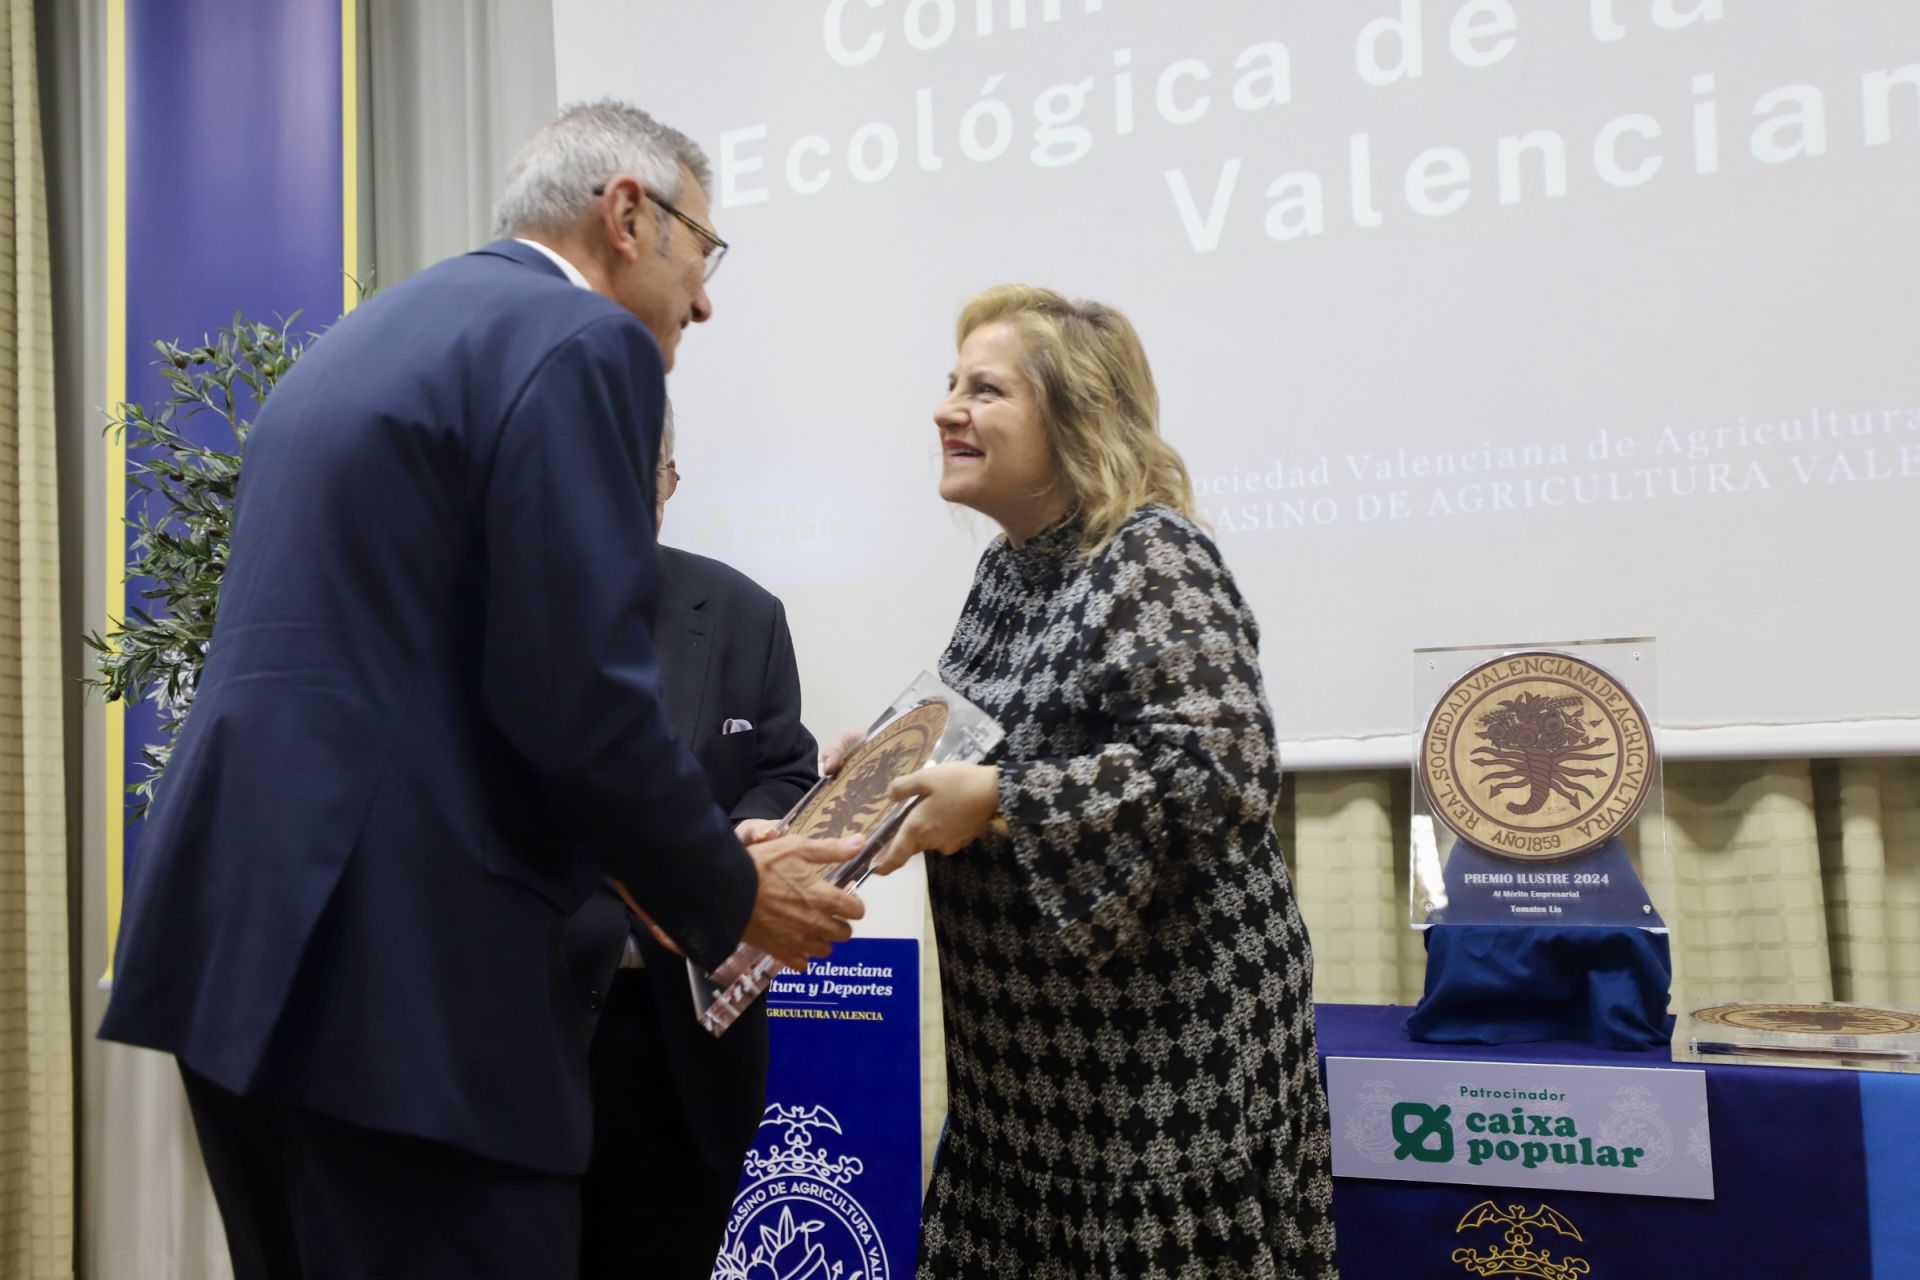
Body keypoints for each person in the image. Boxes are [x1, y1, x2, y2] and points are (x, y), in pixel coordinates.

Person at [98, 102, 865, 1279]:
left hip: (249, 955)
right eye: (702, 253)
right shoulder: (576, 341)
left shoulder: (362, 344)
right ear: (626, 215)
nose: (703, 300)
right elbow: (576, 701)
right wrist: (727, 893)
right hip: (409, 991)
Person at [871, 285, 1339, 1278]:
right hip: (1028, 1095)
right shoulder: (1010, 567)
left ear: (1075, 416)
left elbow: (1222, 770)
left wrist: (998, 803)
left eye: (984, 388)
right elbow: (996, 733)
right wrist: (881, 765)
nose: (946, 408)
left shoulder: (1151, 553)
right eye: (950, 384)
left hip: (1158, 1080)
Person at [567, 405, 819, 1279]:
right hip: (531, 1028)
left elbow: (787, 768)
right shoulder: (494, 609)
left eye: (644, 472)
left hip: (690, 1035)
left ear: (670, 481)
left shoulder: (745, 611)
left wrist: (759, 827)